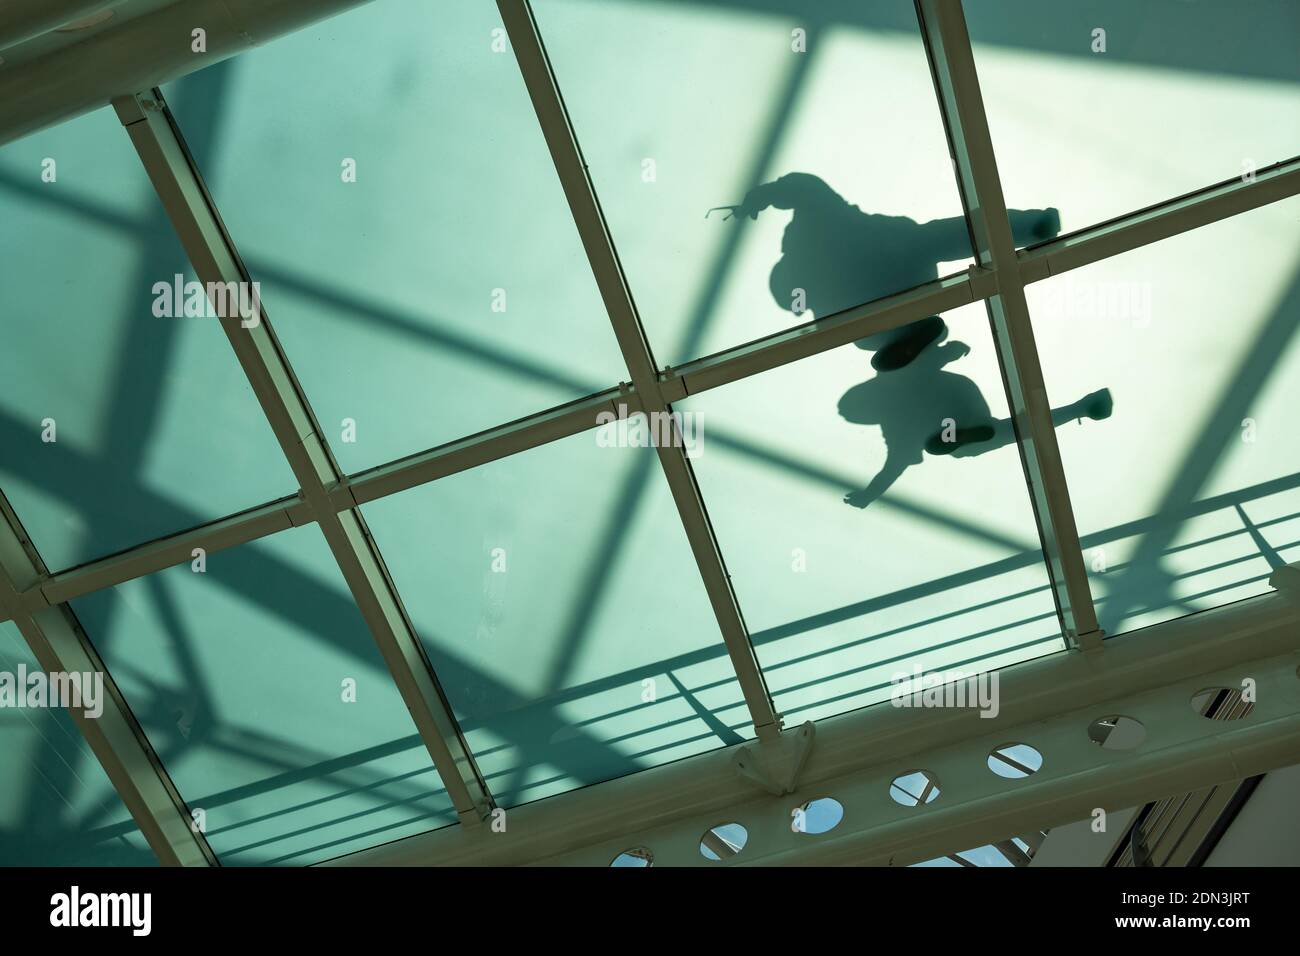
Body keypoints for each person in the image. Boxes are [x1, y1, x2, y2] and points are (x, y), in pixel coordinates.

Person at [718, 172, 1060, 370]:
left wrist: (765, 194)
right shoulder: (810, 238)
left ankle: (919, 337)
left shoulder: (816, 266)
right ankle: (1032, 225)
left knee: (867, 336)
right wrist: (765, 194)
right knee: (947, 236)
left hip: (902, 292)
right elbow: (808, 191)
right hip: (902, 255)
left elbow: (808, 193)